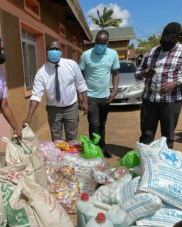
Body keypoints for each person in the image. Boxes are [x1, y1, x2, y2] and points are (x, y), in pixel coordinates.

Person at [135, 22, 182, 149]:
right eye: (165, 36)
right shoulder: (152, 52)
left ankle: (164, 164)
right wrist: (143, 73)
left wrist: (176, 84)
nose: (167, 39)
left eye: (171, 37)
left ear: (177, 38)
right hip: (150, 99)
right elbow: (137, 73)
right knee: (146, 136)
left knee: (167, 137)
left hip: (171, 102)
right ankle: (146, 164)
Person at [22, 41, 88, 141]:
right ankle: (59, 156)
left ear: (61, 51)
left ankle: (70, 157)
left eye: (56, 49)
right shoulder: (42, 72)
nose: (54, 51)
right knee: (56, 140)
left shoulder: (72, 65)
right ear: (46, 52)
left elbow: (81, 84)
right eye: (51, 49)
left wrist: (85, 101)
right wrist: (29, 117)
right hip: (54, 110)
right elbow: (36, 95)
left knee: (72, 138)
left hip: (71, 107)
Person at [79, 30, 120, 158]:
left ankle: (103, 147)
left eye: (103, 43)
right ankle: (94, 149)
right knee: (94, 124)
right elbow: (79, 75)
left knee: (102, 124)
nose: (100, 45)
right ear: (94, 42)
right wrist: (82, 97)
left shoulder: (113, 54)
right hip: (90, 96)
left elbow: (116, 73)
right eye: (98, 42)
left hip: (105, 96)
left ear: (107, 43)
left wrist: (114, 91)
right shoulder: (86, 55)